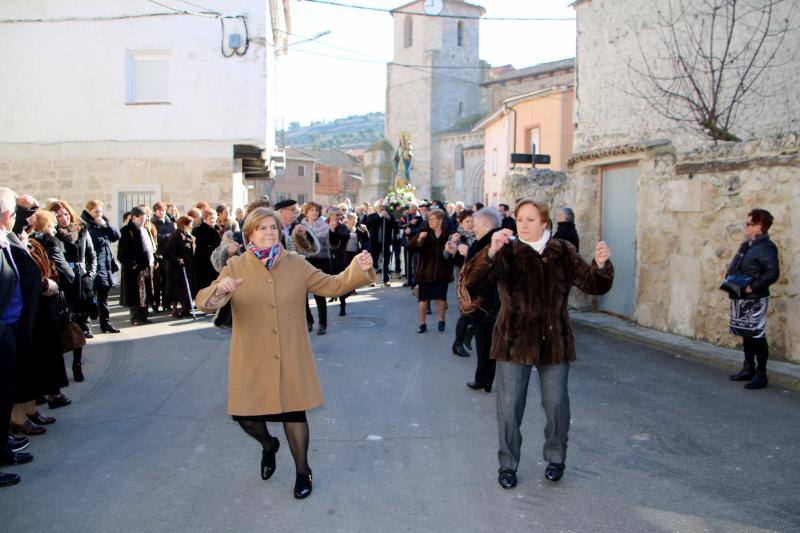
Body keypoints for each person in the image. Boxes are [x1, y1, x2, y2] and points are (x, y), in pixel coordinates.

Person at [195, 207, 376, 499]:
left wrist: (359, 266)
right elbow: (205, 301)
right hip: (251, 355)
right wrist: (220, 290)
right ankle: (269, 445)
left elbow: (333, 285)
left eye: (272, 228)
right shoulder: (236, 266)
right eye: (261, 228)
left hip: (290, 352)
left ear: (280, 232)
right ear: (249, 234)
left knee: (294, 413)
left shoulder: (296, 264)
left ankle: (303, 471)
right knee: (245, 417)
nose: (268, 233)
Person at [462, 199, 614, 488]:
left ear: (545, 223)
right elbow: (471, 279)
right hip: (512, 340)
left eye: (531, 219)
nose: (524, 224)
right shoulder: (506, 250)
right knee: (509, 407)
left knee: (556, 403)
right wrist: (490, 252)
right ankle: (507, 465)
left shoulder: (562, 251)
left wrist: (602, 265)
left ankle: (556, 458)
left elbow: (593, 284)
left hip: (553, 340)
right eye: (520, 219)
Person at [0, 187, 34, 486]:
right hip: (1, 327)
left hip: (10, 324)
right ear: (8, 216)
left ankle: (3, 448)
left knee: (5, 391)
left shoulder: (6, 239)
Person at [725, 209, 780, 390]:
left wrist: (753, 286)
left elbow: (772, 273)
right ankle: (748, 367)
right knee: (745, 333)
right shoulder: (749, 245)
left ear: (759, 226)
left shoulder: (766, 247)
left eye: (749, 224)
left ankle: (761, 374)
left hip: (755, 298)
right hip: (742, 296)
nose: (745, 227)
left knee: (756, 335)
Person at [455, 207, 502, 392]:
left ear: (486, 224)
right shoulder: (488, 239)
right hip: (487, 302)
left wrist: (467, 254)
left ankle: (483, 380)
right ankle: (486, 380)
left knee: (485, 344)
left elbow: (478, 271)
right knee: (485, 343)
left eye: (476, 224)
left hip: (487, 302)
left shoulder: (491, 241)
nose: (473, 228)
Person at [29, 210, 72, 408]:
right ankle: (53, 393)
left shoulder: (34, 242)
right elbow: (60, 268)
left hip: (38, 306)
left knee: (43, 352)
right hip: (45, 304)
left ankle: (42, 393)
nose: (55, 228)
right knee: (50, 351)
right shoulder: (43, 243)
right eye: (52, 224)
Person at [49, 200, 96, 381]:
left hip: (82, 283)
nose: (63, 218)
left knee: (79, 323)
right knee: (64, 324)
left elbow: (91, 255)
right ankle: (60, 369)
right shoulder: (53, 235)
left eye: (66, 214)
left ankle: (77, 364)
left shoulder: (81, 230)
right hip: (64, 284)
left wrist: (90, 276)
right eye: (59, 215)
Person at [408, 209, 453, 333]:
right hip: (425, 272)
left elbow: (454, 251)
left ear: (440, 221)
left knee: (441, 298)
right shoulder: (425, 232)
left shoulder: (448, 234)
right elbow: (411, 247)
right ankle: (422, 324)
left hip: (442, 271)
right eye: (430, 220)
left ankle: (441, 320)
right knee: (423, 300)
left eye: (434, 220)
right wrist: (419, 240)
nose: (431, 222)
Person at [81, 200, 121, 333]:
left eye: (100, 211)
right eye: (96, 212)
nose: (99, 214)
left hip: (106, 265)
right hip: (93, 266)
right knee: (89, 297)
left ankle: (105, 323)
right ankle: (86, 327)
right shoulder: (86, 226)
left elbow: (115, 236)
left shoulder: (103, 223)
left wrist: (106, 225)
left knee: (103, 296)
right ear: (89, 211)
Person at [445, 209, 475, 357]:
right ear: (461, 223)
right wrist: (453, 246)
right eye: (467, 221)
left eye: (472, 221)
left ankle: (470, 332)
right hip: (463, 279)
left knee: (480, 310)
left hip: (479, 277)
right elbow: (446, 256)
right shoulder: (457, 236)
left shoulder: (480, 235)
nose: (470, 224)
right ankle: (457, 344)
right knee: (466, 311)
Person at [299, 202, 333, 335]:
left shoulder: (325, 227)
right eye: (311, 210)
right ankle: (308, 320)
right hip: (305, 262)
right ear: (306, 212)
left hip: (321, 261)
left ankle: (323, 323)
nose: (314, 213)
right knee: (303, 294)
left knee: (319, 294)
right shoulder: (300, 227)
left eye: (317, 210)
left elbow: (331, 244)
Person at [329, 212, 369, 316]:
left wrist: (366, 232)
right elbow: (335, 238)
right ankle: (342, 304)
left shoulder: (358, 229)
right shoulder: (342, 228)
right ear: (348, 220)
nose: (354, 223)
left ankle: (347, 292)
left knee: (351, 278)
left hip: (354, 256)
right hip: (342, 257)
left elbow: (365, 240)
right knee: (342, 279)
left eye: (356, 221)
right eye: (353, 221)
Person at [117, 206, 152, 326]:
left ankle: (144, 316)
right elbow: (122, 253)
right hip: (134, 268)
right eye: (140, 218)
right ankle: (135, 317)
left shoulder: (145, 229)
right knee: (135, 294)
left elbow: (148, 246)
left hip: (145, 266)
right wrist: (133, 265)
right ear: (133, 217)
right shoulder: (127, 231)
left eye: (144, 218)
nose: (143, 220)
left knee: (145, 292)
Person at [164, 216, 196, 318]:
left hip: (187, 267)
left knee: (186, 290)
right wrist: (178, 260)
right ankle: (174, 310)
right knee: (176, 291)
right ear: (184, 225)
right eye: (190, 224)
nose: (192, 226)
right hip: (176, 269)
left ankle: (185, 309)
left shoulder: (188, 235)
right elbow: (169, 252)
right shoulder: (176, 235)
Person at [365, 202, 397, 286]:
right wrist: (380, 216)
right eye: (380, 207)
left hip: (386, 242)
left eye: (383, 207)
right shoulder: (373, 216)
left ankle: (386, 280)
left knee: (386, 262)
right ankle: (372, 280)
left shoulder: (389, 215)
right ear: (377, 208)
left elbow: (396, 225)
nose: (382, 208)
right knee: (373, 262)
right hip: (375, 242)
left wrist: (388, 217)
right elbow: (368, 223)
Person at [152, 202, 176, 313]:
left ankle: (167, 303)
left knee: (167, 282)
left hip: (167, 255)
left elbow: (174, 236)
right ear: (155, 212)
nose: (162, 212)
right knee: (157, 283)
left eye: (163, 210)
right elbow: (155, 238)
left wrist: (165, 237)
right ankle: (156, 304)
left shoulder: (170, 223)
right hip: (158, 255)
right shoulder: (153, 223)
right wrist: (167, 237)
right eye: (159, 210)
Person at [193, 207, 222, 293]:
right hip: (204, 260)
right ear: (205, 218)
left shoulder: (217, 229)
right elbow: (201, 246)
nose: (213, 220)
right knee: (205, 284)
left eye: (214, 218)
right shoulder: (200, 230)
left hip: (216, 259)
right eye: (210, 218)